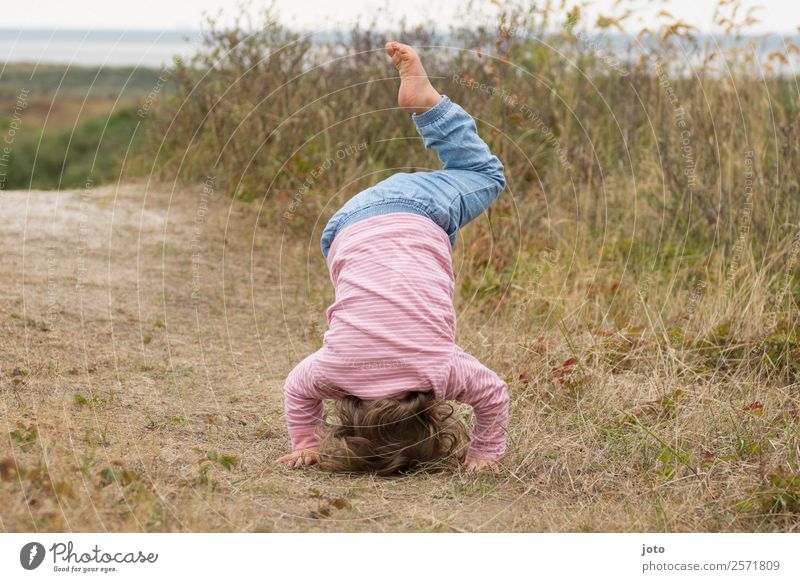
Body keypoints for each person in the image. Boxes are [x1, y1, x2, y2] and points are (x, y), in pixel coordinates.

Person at [276, 41, 509, 475]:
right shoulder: (335, 372)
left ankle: (429, 107)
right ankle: (428, 113)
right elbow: (297, 388)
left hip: (413, 211)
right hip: (344, 232)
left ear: (432, 416)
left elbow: (494, 394)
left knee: (484, 176)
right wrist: (304, 442)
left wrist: (485, 454)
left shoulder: (440, 372)